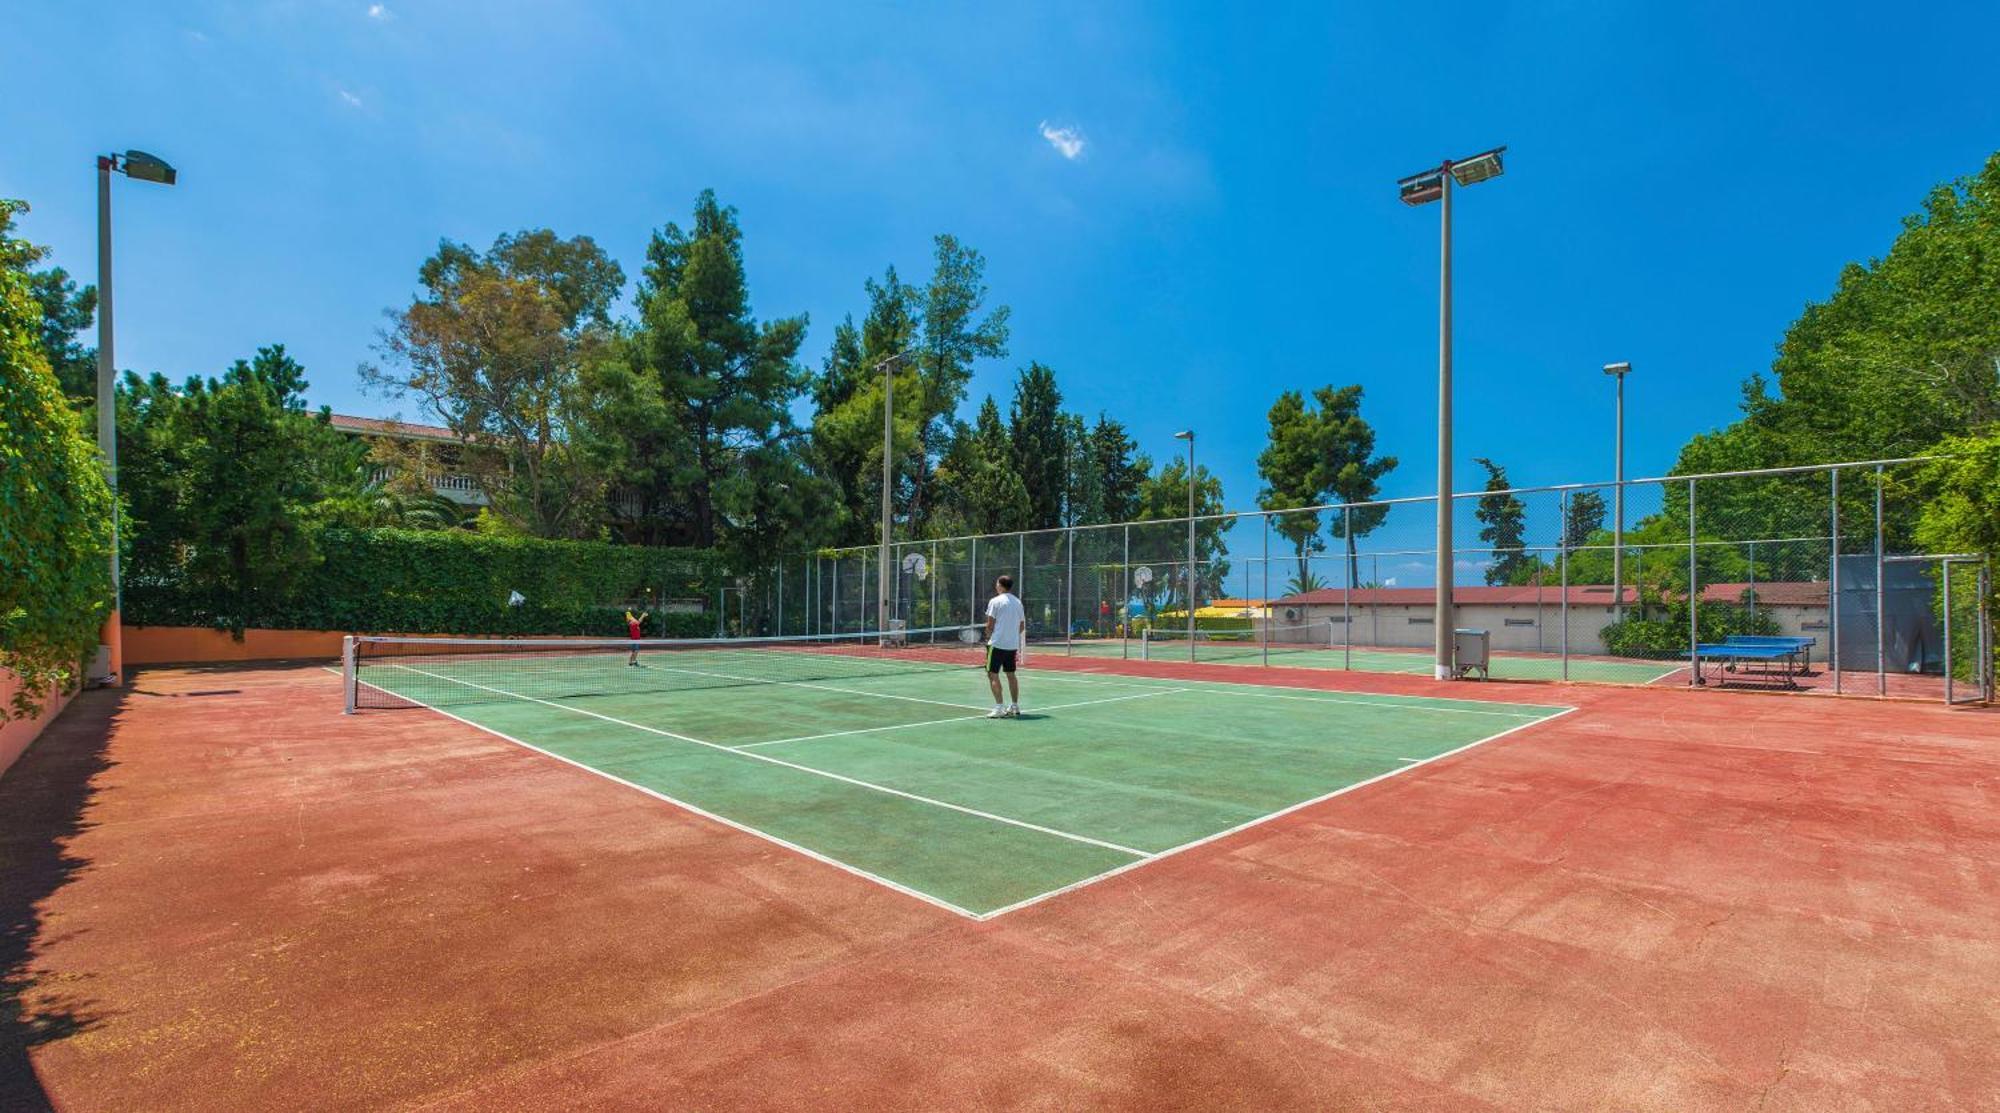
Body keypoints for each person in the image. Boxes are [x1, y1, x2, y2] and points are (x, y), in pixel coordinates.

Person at [982, 574, 1026, 718]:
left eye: (997, 583)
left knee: (992, 674)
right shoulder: (1018, 602)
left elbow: (990, 625)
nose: (996, 586)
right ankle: (1014, 706)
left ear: (1000, 585)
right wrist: (1011, 636)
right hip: (1012, 646)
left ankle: (999, 707)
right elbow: (1021, 626)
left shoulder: (995, 601)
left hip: (997, 644)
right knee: (1011, 675)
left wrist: (988, 636)